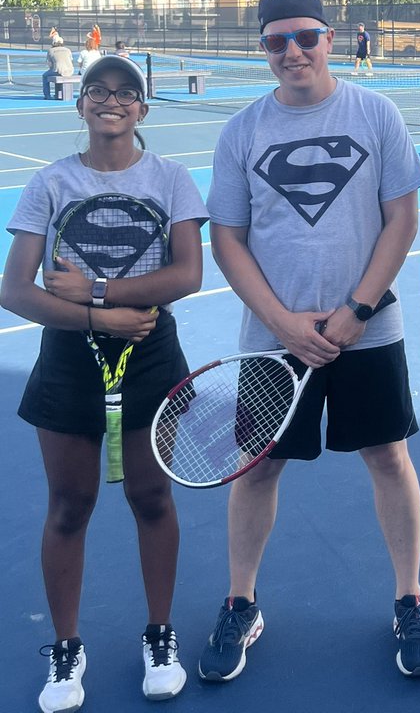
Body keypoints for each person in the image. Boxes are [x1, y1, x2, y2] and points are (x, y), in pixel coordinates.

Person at [198, 0, 420, 685]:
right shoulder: (242, 131)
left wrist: (355, 311)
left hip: (369, 333)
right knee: (258, 469)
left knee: (388, 457)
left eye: (306, 37)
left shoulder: (376, 113)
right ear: (264, 48)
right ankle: (241, 603)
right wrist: (282, 324)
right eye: (277, 41)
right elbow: (228, 239)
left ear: (331, 39)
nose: (293, 51)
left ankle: (410, 598)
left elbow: (402, 219)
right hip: (274, 341)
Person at [0, 54, 207, 711]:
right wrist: (98, 319)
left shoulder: (172, 178)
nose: (110, 100)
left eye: (125, 92)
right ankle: (66, 648)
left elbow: (187, 275)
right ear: (80, 102)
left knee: (151, 498)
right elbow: (15, 290)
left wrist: (98, 293)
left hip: (150, 357)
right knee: (69, 506)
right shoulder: (50, 183)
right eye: (98, 89)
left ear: (141, 108)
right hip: (68, 362)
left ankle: (160, 635)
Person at [42, 35, 75, 99]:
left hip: (58, 70)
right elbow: (71, 60)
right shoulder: (68, 50)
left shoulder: (51, 50)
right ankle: (58, 94)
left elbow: (49, 64)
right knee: (59, 71)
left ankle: (47, 95)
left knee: (45, 76)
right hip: (69, 70)